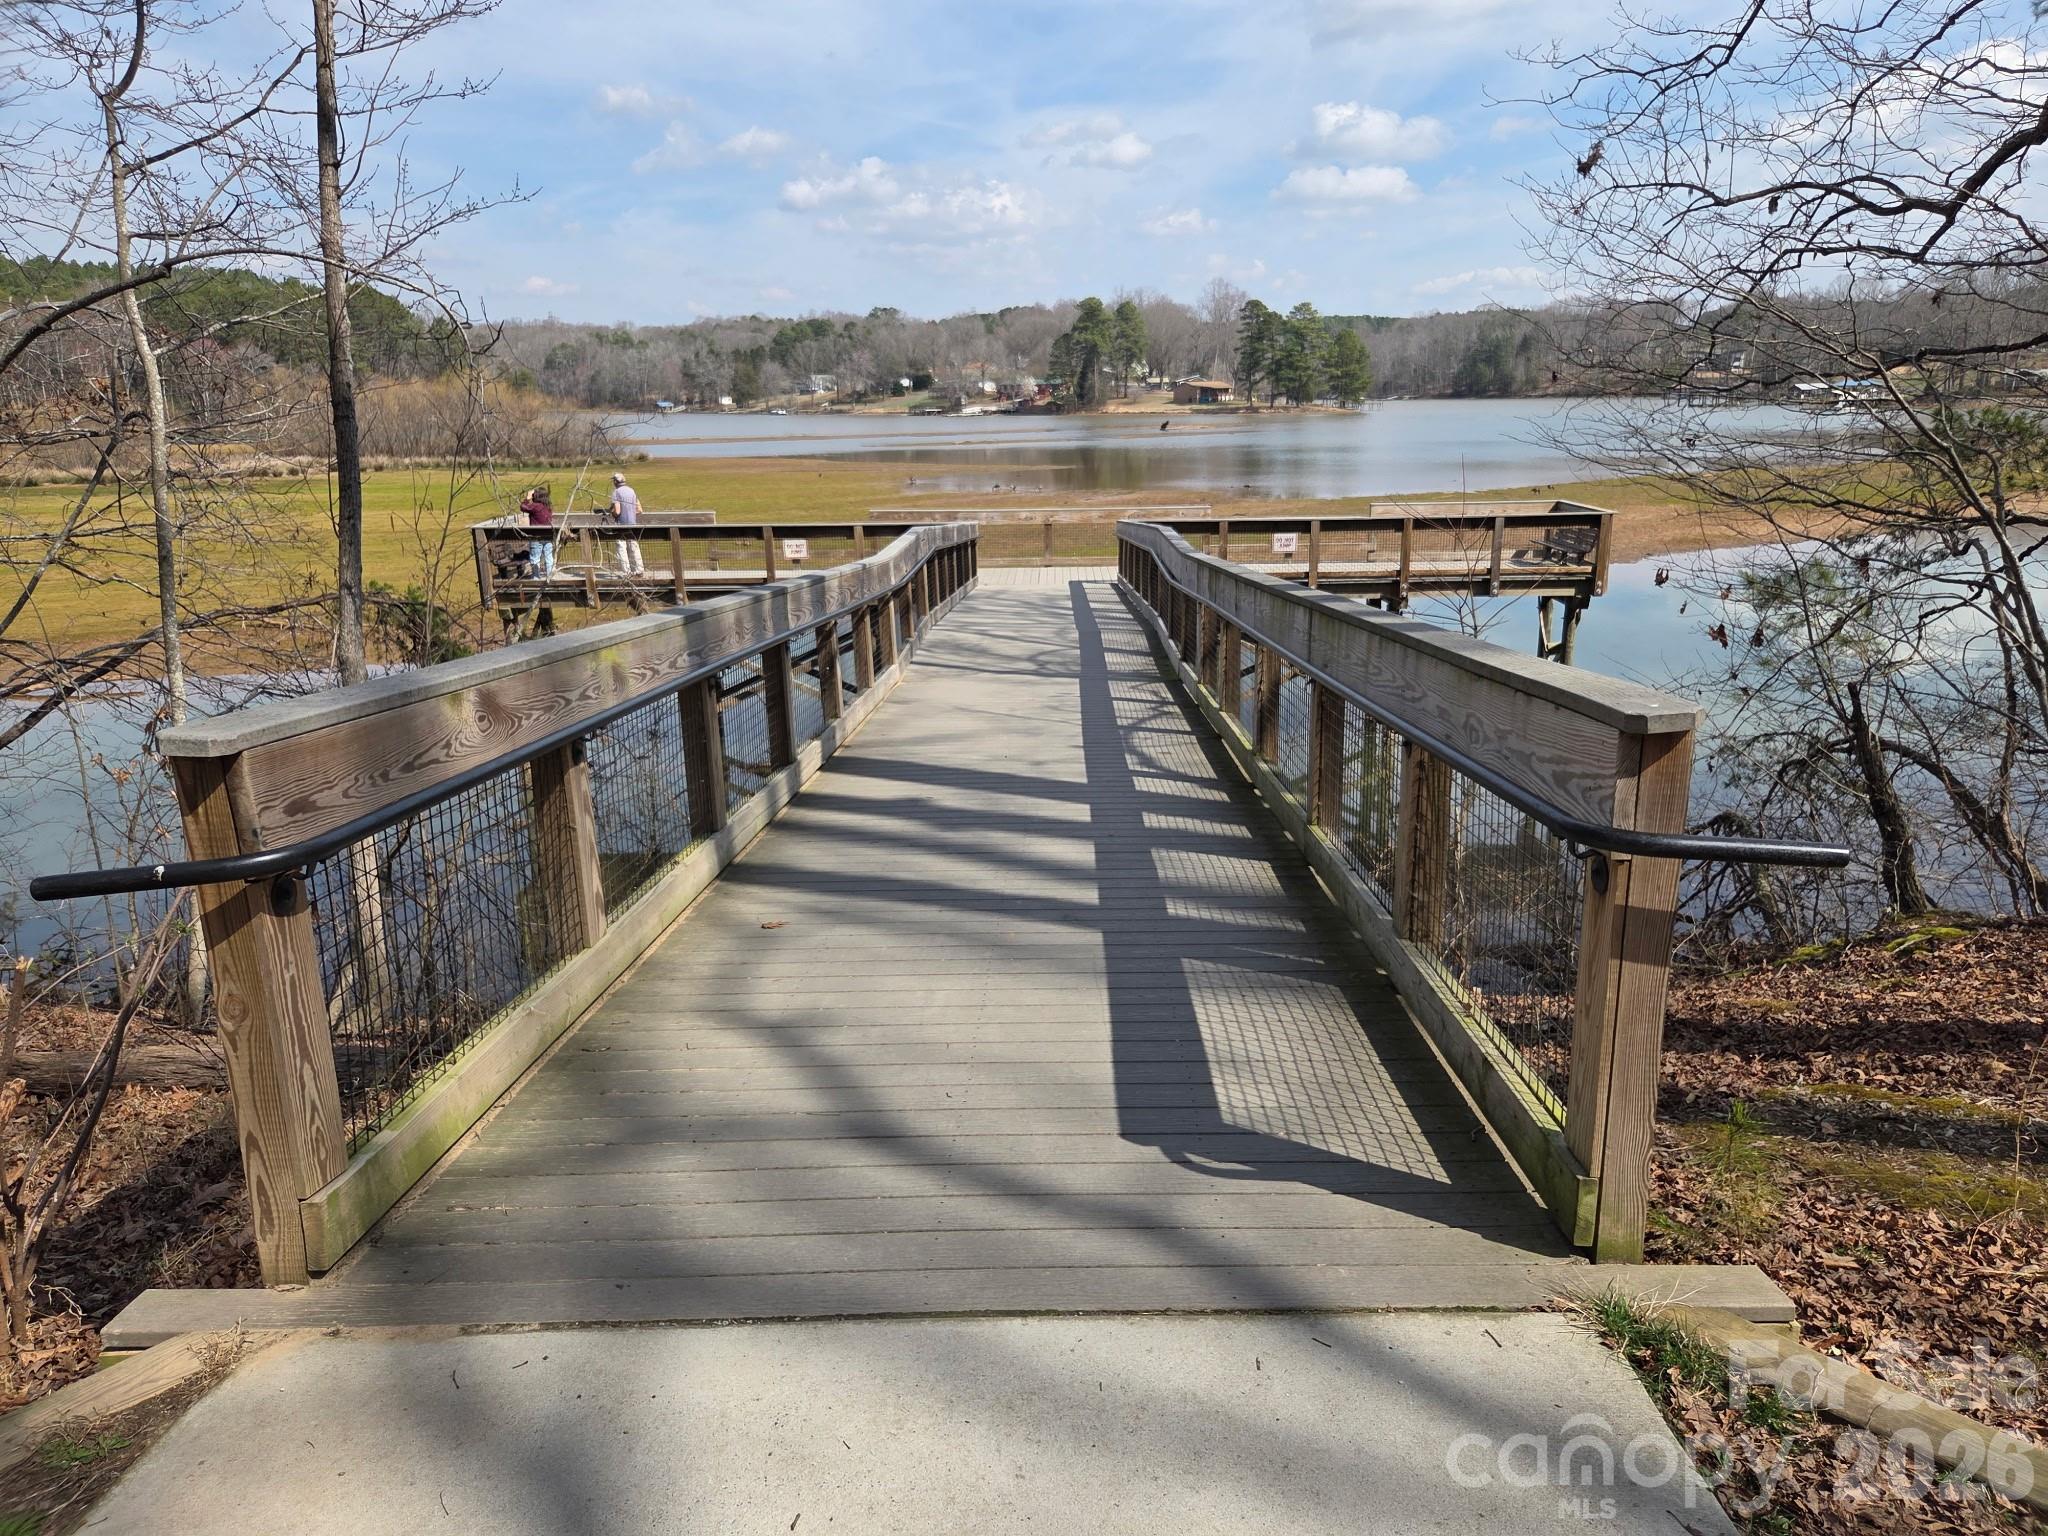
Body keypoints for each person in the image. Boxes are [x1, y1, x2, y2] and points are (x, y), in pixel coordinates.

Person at [608, 471, 644, 576]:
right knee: (633, 546)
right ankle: (639, 570)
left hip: (621, 525)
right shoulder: (632, 491)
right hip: (632, 524)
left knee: (621, 547)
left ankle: (627, 572)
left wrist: (612, 513)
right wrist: (631, 513)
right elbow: (640, 510)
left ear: (615, 481)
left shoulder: (616, 492)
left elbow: (617, 512)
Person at [520, 484, 556, 575]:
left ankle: (536, 578)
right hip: (548, 536)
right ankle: (550, 577)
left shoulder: (536, 506)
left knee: (535, 558)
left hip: (536, 537)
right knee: (549, 558)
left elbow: (523, 507)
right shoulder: (548, 507)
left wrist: (527, 498)